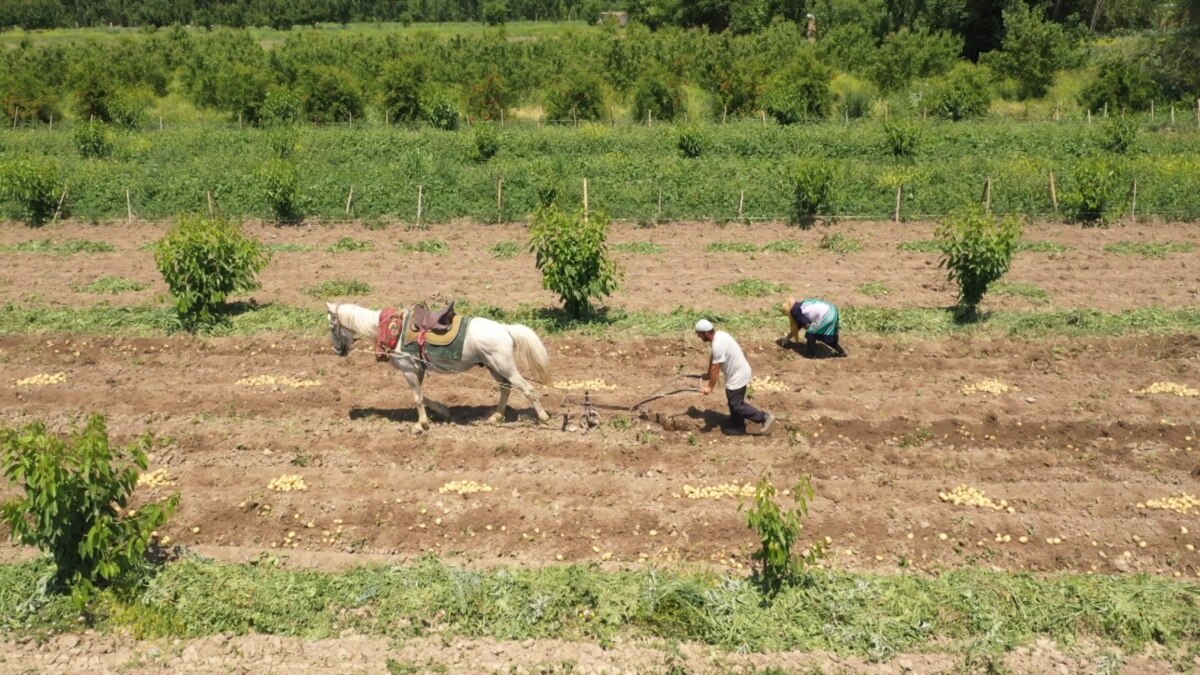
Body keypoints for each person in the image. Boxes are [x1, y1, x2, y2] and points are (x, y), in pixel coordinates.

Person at [695, 319, 775, 436]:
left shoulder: (718, 344)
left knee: (736, 404)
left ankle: (764, 417)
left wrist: (709, 387)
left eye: (699, 334)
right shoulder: (720, 335)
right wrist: (707, 374)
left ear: (706, 333)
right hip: (738, 372)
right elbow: (713, 359)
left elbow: (716, 368)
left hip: (738, 375)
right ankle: (737, 426)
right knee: (734, 401)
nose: (699, 337)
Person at [780, 297, 847, 358]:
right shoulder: (801, 305)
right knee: (826, 336)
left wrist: (812, 336)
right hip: (832, 311)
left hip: (825, 314)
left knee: (811, 334)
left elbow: (806, 325)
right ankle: (841, 352)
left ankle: (811, 355)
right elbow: (800, 324)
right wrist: (788, 338)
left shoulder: (794, 310)